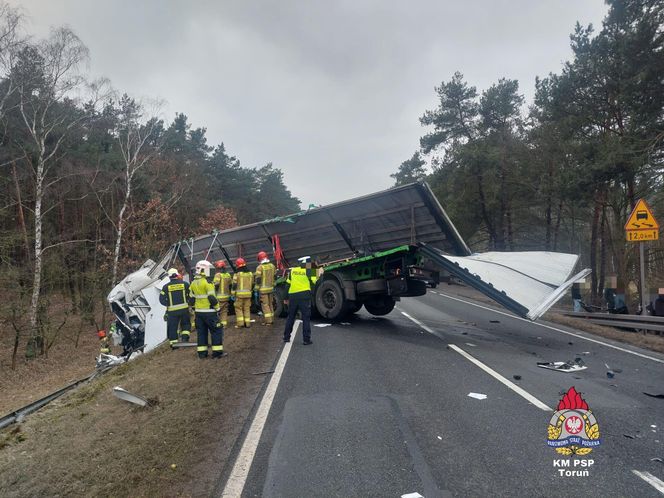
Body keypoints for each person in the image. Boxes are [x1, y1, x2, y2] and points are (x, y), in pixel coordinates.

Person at [189, 260, 225, 359]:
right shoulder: (208, 282)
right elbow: (212, 298)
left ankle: (202, 354)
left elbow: (191, 299)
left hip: (199, 314)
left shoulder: (193, 283)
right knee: (216, 331)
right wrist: (217, 308)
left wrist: (193, 308)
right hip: (210, 313)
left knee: (201, 333)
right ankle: (217, 353)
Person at [283, 256, 317, 345]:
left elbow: (287, 285)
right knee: (306, 318)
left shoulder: (293, 270)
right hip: (304, 297)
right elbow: (314, 282)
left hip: (293, 297)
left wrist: (285, 298)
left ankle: (286, 337)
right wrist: (319, 273)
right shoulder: (309, 269)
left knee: (291, 317)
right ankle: (306, 340)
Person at [159, 267, 191, 347]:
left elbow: (161, 299)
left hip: (172, 312)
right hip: (184, 310)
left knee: (173, 328)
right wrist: (188, 302)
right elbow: (191, 295)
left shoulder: (165, 287)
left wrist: (168, 304)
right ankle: (185, 339)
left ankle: (174, 344)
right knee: (186, 324)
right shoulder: (185, 284)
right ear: (177, 275)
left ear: (169, 277)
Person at [255, 250, 276, 325]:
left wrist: (256, 288)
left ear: (259, 259)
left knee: (265, 305)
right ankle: (272, 319)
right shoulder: (272, 266)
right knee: (270, 304)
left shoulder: (259, 268)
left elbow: (258, 279)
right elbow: (274, 276)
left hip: (263, 290)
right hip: (271, 288)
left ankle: (268, 321)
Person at [232, 257, 254, 328]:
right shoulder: (250, 273)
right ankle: (248, 324)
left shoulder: (237, 274)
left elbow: (234, 284)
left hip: (239, 295)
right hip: (248, 294)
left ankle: (240, 324)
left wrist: (233, 293)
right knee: (247, 309)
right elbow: (253, 283)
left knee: (238, 308)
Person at [213, 260, 232, 327]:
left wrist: (213, 292)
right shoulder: (228, 275)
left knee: (216, 311)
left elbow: (216, 285)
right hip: (226, 297)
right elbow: (230, 285)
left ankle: (217, 324)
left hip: (219, 297)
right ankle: (224, 324)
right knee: (224, 311)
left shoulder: (218, 275)